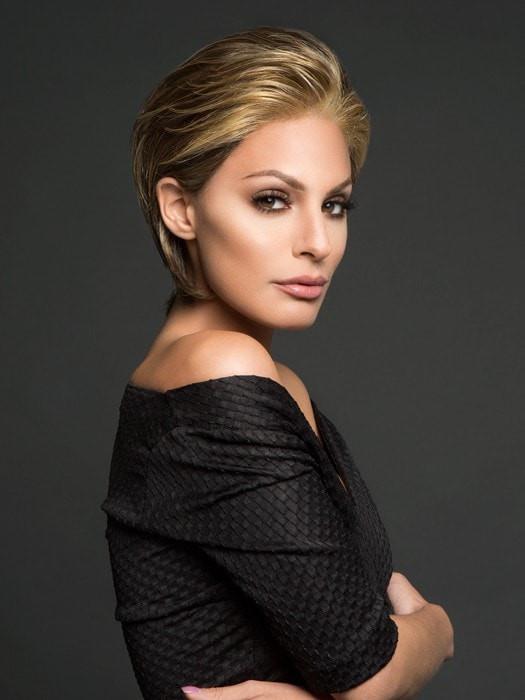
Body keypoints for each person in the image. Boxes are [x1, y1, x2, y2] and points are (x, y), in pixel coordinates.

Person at [100, 25, 454, 700]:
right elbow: (369, 676)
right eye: (272, 199)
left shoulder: (263, 380)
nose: (318, 241)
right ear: (181, 208)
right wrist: (435, 629)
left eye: (334, 204)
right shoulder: (216, 369)